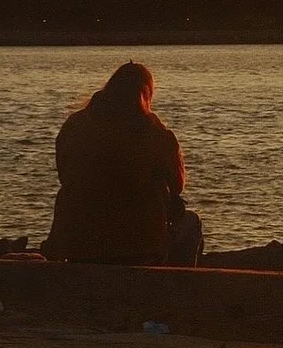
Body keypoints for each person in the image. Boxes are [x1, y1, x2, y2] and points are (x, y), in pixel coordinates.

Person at [42, 62, 202, 266]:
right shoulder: (152, 130)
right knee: (191, 223)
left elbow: (64, 175)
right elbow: (178, 185)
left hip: (77, 242)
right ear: (146, 94)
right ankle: (175, 282)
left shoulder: (75, 124)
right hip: (138, 245)